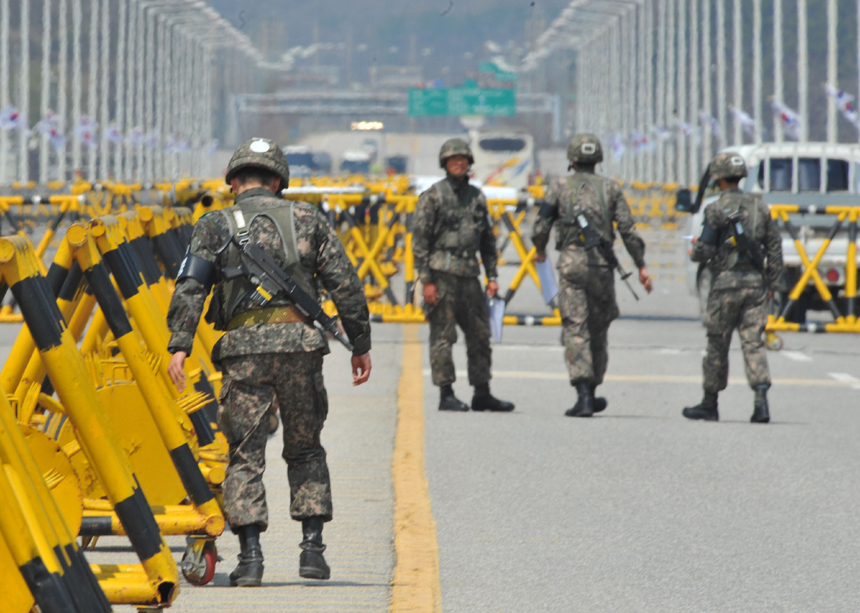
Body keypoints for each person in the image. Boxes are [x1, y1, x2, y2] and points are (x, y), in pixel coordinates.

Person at [165, 137, 372, 586]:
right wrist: (359, 343)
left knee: (244, 455)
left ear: (233, 182)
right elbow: (346, 285)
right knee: (306, 447)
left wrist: (179, 343)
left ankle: (251, 559)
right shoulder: (307, 219)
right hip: (300, 346)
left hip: (244, 351)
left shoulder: (213, 224)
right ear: (278, 181)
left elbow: (190, 287)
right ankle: (312, 551)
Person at [532, 134, 652, 417]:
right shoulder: (611, 188)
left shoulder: (558, 187)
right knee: (599, 330)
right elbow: (628, 230)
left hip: (572, 264)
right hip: (602, 267)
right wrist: (642, 265)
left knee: (576, 328)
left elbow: (541, 225)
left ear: (572, 159)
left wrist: (539, 249)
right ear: (597, 159)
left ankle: (583, 393)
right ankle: (594, 389)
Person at [412, 138, 514, 413]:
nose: (459, 163)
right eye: (453, 159)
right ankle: (446, 393)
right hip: (441, 275)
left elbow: (488, 242)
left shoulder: (477, 197)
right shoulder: (432, 196)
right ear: (444, 163)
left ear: (469, 163)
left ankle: (482, 392)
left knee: (480, 336)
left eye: (463, 159)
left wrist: (492, 276)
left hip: (470, 276)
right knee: (443, 337)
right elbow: (419, 242)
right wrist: (426, 281)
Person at [683, 151, 784, 423]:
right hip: (755, 286)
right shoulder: (760, 208)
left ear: (718, 177)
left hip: (725, 285)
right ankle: (761, 401)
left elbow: (703, 251)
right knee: (753, 343)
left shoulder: (715, 209)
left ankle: (710, 403)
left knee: (718, 343)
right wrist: (773, 283)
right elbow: (774, 247)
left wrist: (695, 249)